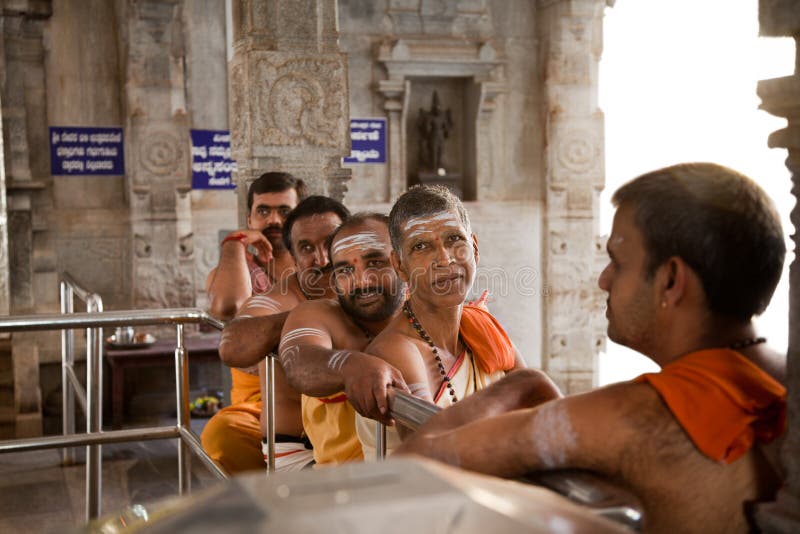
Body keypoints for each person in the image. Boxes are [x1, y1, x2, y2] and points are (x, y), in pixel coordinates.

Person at [396, 163, 788, 532]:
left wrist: (521, 383)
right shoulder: (787, 379)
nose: (603, 280)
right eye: (422, 248)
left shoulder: (632, 417)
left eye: (617, 261)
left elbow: (418, 459)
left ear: (671, 281)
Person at [356, 185, 529, 457]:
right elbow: (431, 447)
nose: (444, 259)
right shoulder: (398, 350)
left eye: (453, 240)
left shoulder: (483, 330)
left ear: (474, 248)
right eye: (421, 247)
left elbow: (536, 404)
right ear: (399, 266)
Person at [202, 196, 350, 473]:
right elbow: (233, 345)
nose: (322, 258)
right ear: (294, 256)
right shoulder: (282, 296)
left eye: (330, 243)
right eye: (306, 248)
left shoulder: (370, 290)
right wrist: (316, 318)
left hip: (365, 436)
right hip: (300, 449)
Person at [276, 213, 409, 465]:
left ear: (402, 262)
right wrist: (349, 365)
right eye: (346, 270)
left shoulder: (430, 312)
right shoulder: (319, 314)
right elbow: (298, 362)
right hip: (342, 488)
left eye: (376, 263)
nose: (362, 281)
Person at [205, 171, 306, 321]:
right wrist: (235, 241)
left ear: (301, 220)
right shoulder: (235, 273)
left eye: (285, 212)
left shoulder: (319, 267)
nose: (274, 220)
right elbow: (227, 308)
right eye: (263, 211)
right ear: (249, 221)